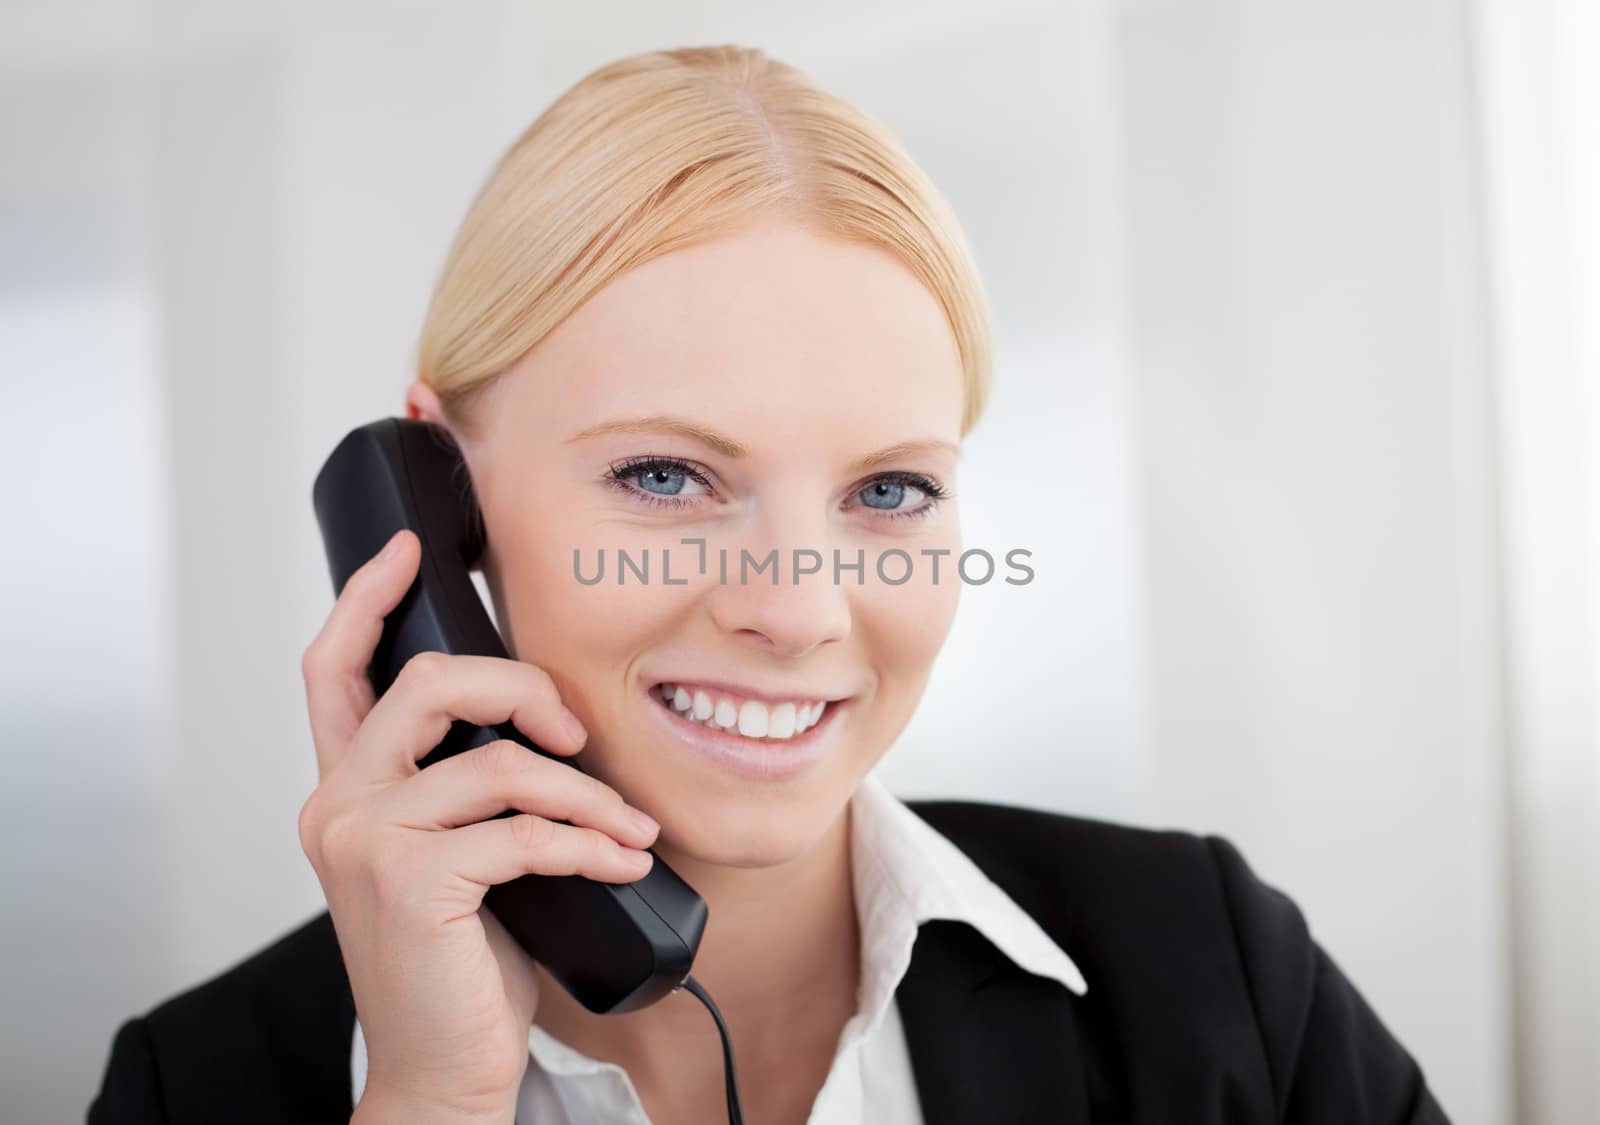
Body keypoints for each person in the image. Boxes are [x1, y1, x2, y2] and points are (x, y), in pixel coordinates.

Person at [87, 44, 1452, 1125]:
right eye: (670, 478)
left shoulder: (1217, 977)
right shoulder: (197, 1082)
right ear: (439, 506)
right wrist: (432, 1103)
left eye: (890, 490)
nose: (797, 609)